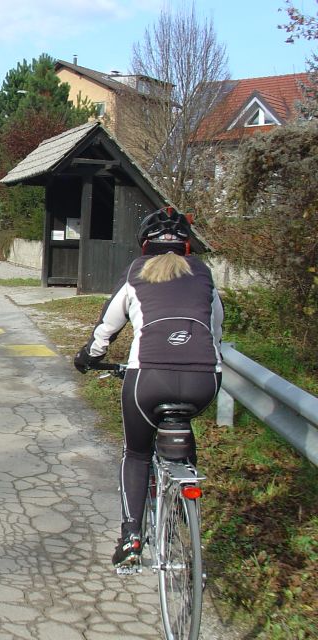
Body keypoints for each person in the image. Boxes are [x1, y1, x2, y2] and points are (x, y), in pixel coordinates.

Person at [73, 206, 224, 569]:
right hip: (204, 380)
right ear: (187, 245)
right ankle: (187, 510)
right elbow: (216, 330)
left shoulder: (136, 273)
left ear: (145, 243)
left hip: (148, 380)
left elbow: (106, 329)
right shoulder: (204, 274)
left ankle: (131, 536)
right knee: (183, 429)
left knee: (137, 454)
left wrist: (87, 357)